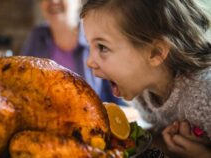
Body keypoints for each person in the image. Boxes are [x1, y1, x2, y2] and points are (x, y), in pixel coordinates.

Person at [80, 0, 211, 157]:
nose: (89, 62)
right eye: (90, 45)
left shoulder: (205, 94)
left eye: (102, 47)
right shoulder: (142, 93)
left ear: (155, 53)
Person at [21, 0, 123, 104]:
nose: (53, 1)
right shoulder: (37, 36)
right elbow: (23, 85)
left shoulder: (98, 37)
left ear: (78, 2)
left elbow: (120, 100)